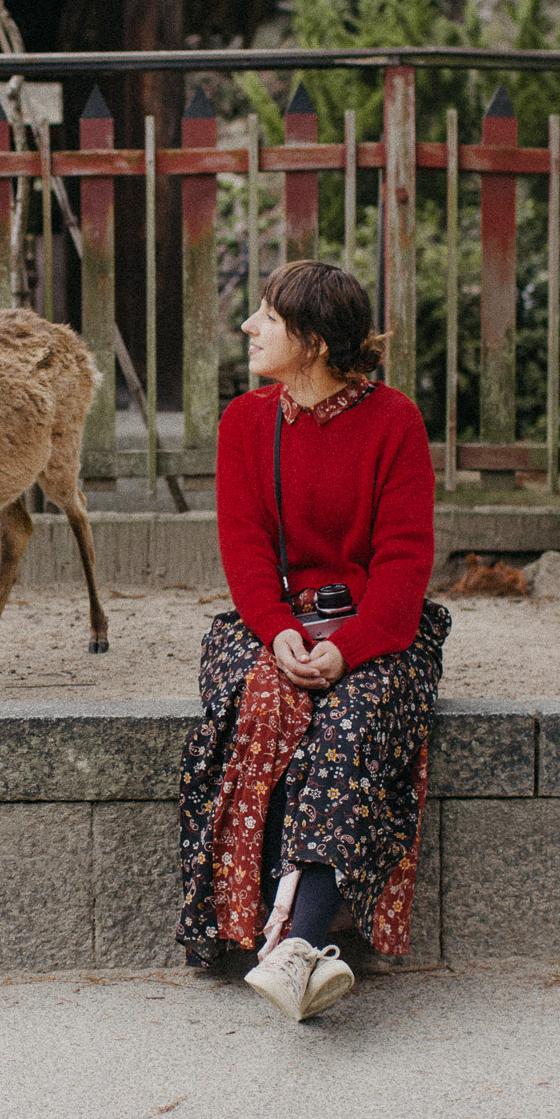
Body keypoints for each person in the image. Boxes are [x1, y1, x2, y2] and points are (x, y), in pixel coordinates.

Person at [176, 259, 449, 1023]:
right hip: (272, 619)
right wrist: (281, 632)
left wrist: (349, 646)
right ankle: (286, 934)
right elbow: (245, 551)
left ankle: (295, 944)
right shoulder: (245, 422)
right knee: (264, 694)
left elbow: (403, 565)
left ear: (316, 341)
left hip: (377, 627)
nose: (248, 326)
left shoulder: (394, 421)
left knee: (351, 717)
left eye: (267, 315)